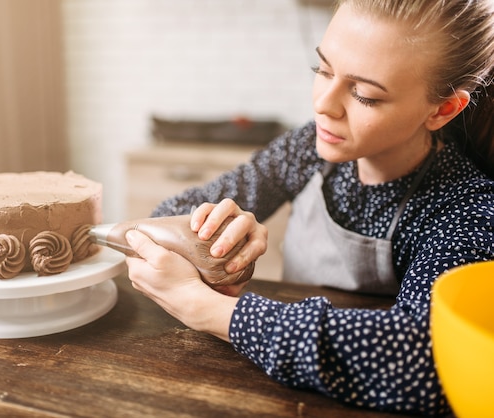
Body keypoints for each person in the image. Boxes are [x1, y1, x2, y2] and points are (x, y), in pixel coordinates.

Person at [124, 0, 494, 415]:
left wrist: (212, 311)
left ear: (443, 109)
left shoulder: (464, 206)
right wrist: (213, 237)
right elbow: (173, 211)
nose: (324, 104)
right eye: (323, 70)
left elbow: (421, 356)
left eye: (365, 95)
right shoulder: (306, 148)